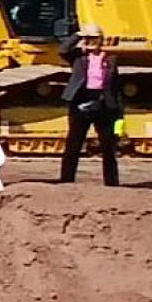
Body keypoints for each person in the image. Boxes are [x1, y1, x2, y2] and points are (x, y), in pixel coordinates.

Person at [57, 23, 125, 187]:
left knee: (108, 147)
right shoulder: (78, 57)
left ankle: (111, 183)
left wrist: (119, 113)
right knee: (74, 144)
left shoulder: (110, 59)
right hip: (80, 101)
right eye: (89, 38)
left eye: (95, 38)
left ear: (101, 39)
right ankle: (66, 180)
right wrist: (79, 35)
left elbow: (115, 87)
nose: (92, 41)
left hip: (104, 104)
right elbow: (62, 50)